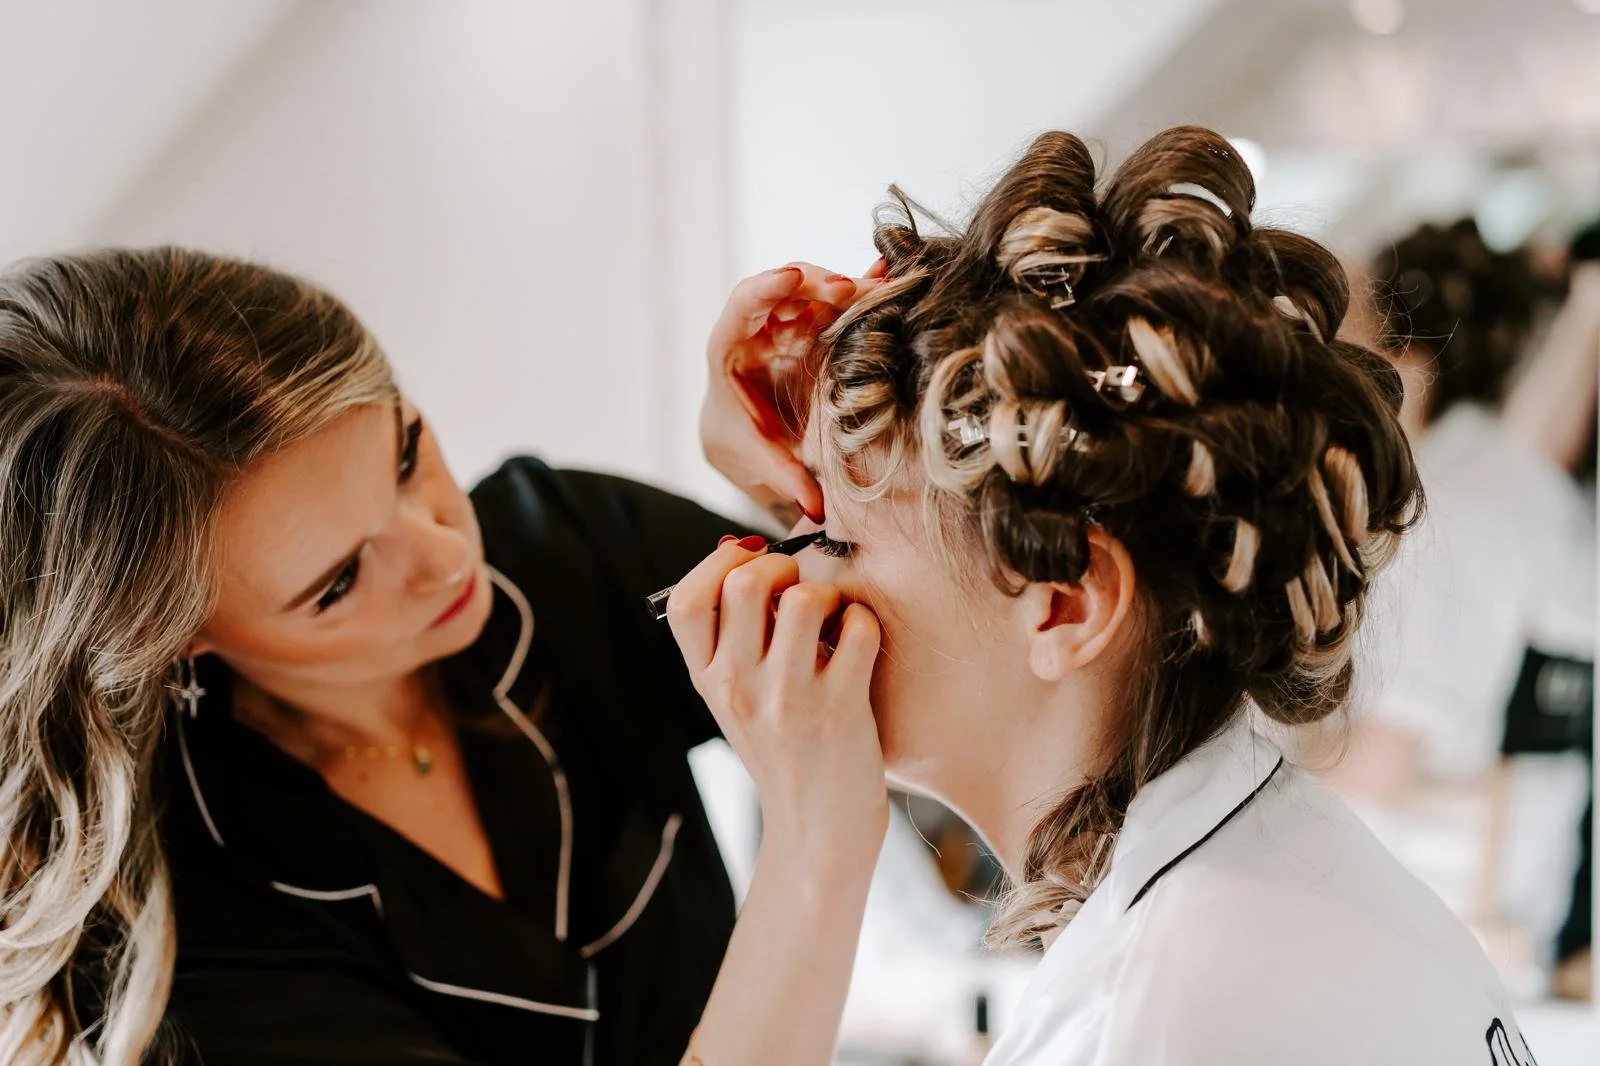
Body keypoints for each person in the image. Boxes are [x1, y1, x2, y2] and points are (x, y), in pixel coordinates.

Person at [665, 128, 1539, 1064]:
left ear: (1065, 600)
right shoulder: (1273, 881)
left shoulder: (1150, 1010)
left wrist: (809, 843)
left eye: (834, 538)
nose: (795, 577)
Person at [0, 247, 874, 1065]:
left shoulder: (557, 544)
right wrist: (817, 845)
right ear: (178, 636)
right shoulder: (188, 941)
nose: (449, 556)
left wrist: (799, 471)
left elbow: (903, 642)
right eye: (339, 581)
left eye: (408, 455)